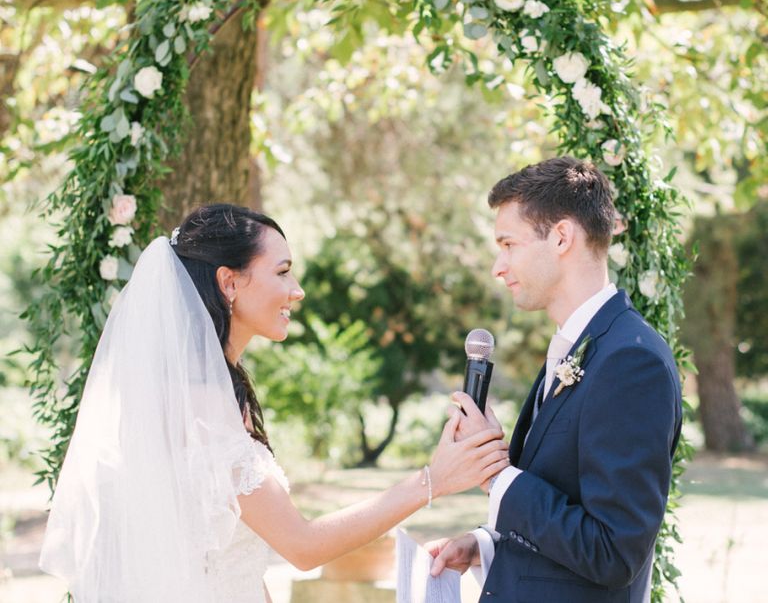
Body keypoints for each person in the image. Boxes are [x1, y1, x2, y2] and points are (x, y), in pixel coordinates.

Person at [39, 204, 509, 603]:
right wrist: (432, 480)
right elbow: (301, 545)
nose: (297, 290)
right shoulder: (201, 408)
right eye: (282, 272)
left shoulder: (221, 388)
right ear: (230, 283)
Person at [428, 157, 683, 603]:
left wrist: (496, 475)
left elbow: (614, 553)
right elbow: (566, 502)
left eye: (509, 244)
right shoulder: (578, 345)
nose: (498, 266)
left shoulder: (631, 361)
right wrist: (488, 546)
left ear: (562, 237)